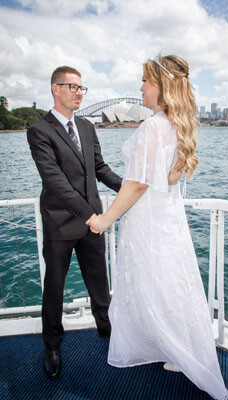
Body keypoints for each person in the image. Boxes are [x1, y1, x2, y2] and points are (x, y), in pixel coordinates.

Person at [88, 55, 228, 400]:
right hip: (167, 214)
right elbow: (167, 178)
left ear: (162, 86)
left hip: (148, 217)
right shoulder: (177, 124)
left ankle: (175, 347)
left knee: (155, 278)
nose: (140, 88)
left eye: (145, 81)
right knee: (168, 278)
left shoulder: (153, 125)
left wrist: (105, 219)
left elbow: (137, 184)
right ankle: (178, 345)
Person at [27, 66, 122, 380]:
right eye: (73, 87)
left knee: (99, 280)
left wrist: (130, 189)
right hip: (61, 222)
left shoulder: (86, 126)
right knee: (54, 286)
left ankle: (107, 330)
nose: (80, 92)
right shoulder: (39, 130)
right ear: (56, 88)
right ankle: (52, 345)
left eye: (82, 88)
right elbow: (55, 181)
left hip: (92, 219)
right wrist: (91, 215)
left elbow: (100, 168)